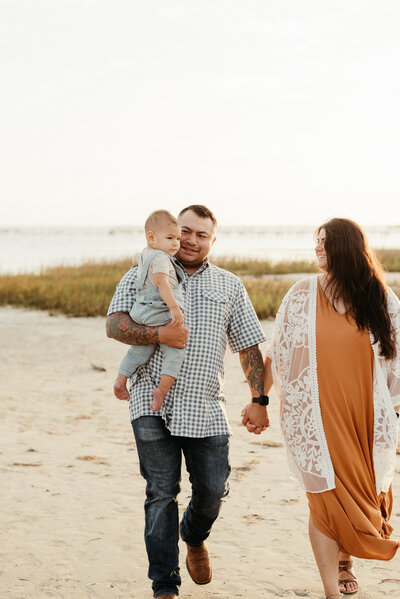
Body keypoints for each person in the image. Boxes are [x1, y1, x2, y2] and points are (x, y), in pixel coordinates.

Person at [106, 204, 268, 599]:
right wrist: (161, 334)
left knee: (212, 490)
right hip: (150, 400)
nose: (191, 241)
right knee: (161, 493)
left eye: (201, 235)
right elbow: (114, 324)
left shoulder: (229, 285)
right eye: (186, 232)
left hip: (206, 405)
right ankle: (165, 586)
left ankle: (194, 537)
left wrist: (259, 399)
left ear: (213, 240)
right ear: (174, 233)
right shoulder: (143, 269)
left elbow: (248, 344)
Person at [242, 218, 400, 599]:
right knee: (324, 502)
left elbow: (396, 363)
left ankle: (347, 562)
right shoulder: (300, 294)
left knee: (369, 498)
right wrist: (258, 400)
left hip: (364, 419)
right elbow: (278, 355)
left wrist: (394, 417)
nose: (317, 250)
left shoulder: (380, 299)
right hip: (314, 419)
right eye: (317, 242)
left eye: (325, 244)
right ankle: (331, 589)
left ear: (345, 250)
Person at [113, 209, 185, 412]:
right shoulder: (162, 258)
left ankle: (121, 379)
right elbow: (162, 284)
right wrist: (174, 308)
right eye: (170, 238)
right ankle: (161, 391)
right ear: (151, 237)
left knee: (140, 349)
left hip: (140, 312)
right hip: (158, 311)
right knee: (175, 351)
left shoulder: (144, 254)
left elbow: (134, 260)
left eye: (178, 238)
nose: (176, 243)